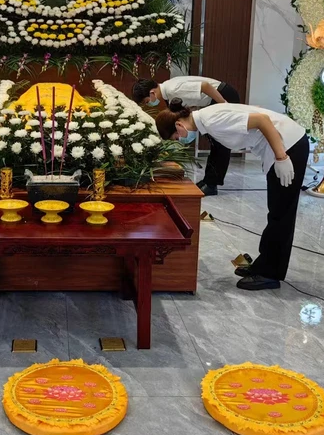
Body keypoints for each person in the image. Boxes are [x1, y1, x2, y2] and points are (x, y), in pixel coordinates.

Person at [155, 100, 309, 291]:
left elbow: (262, 120)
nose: (181, 140)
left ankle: (270, 274)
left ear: (179, 125)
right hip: (280, 145)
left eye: (177, 137)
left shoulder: (211, 121)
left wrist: (281, 157)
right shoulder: (206, 118)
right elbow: (255, 110)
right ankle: (263, 265)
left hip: (288, 146)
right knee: (276, 210)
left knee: (282, 212)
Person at [132, 77, 240, 196]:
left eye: (147, 101)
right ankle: (208, 181)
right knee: (214, 143)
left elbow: (205, 86)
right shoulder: (168, 93)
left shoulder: (172, 90)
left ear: (152, 93)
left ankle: (211, 184)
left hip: (222, 96)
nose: (149, 104)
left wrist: (223, 105)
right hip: (214, 99)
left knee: (220, 143)